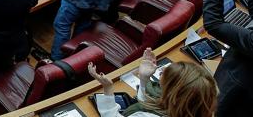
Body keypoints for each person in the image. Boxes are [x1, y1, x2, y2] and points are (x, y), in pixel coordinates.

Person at [87, 49, 217, 117]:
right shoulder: (195, 107)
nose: (161, 71)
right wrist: (144, 79)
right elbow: (150, 103)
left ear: (173, 92)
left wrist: (108, 89)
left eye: (165, 75)